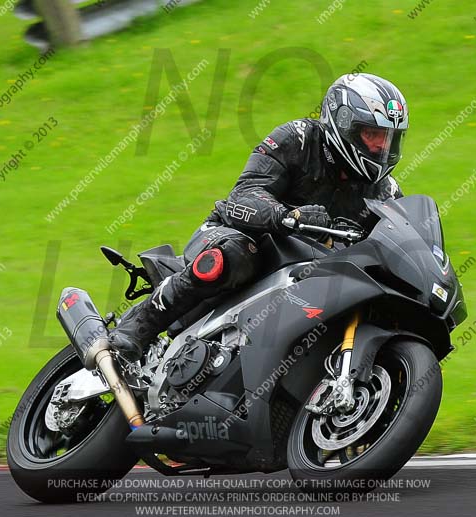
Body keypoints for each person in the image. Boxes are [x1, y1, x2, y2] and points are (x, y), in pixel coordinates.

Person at [108, 73, 409, 359]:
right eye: (372, 135)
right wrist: (288, 216)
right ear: (344, 124)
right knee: (232, 257)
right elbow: (244, 195)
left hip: (310, 275)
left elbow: (399, 242)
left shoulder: (385, 191)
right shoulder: (299, 139)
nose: (382, 147)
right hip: (241, 236)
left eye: (389, 138)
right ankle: (139, 324)